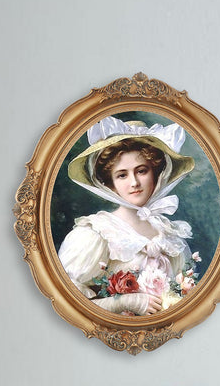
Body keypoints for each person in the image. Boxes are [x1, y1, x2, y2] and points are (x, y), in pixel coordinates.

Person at [58, 116, 200, 316]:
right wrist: (124, 302)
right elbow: (67, 301)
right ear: (110, 183)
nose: (134, 182)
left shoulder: (170, 235)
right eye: (122, 175)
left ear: (156, 174)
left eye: (141, 171)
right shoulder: (95, 234)